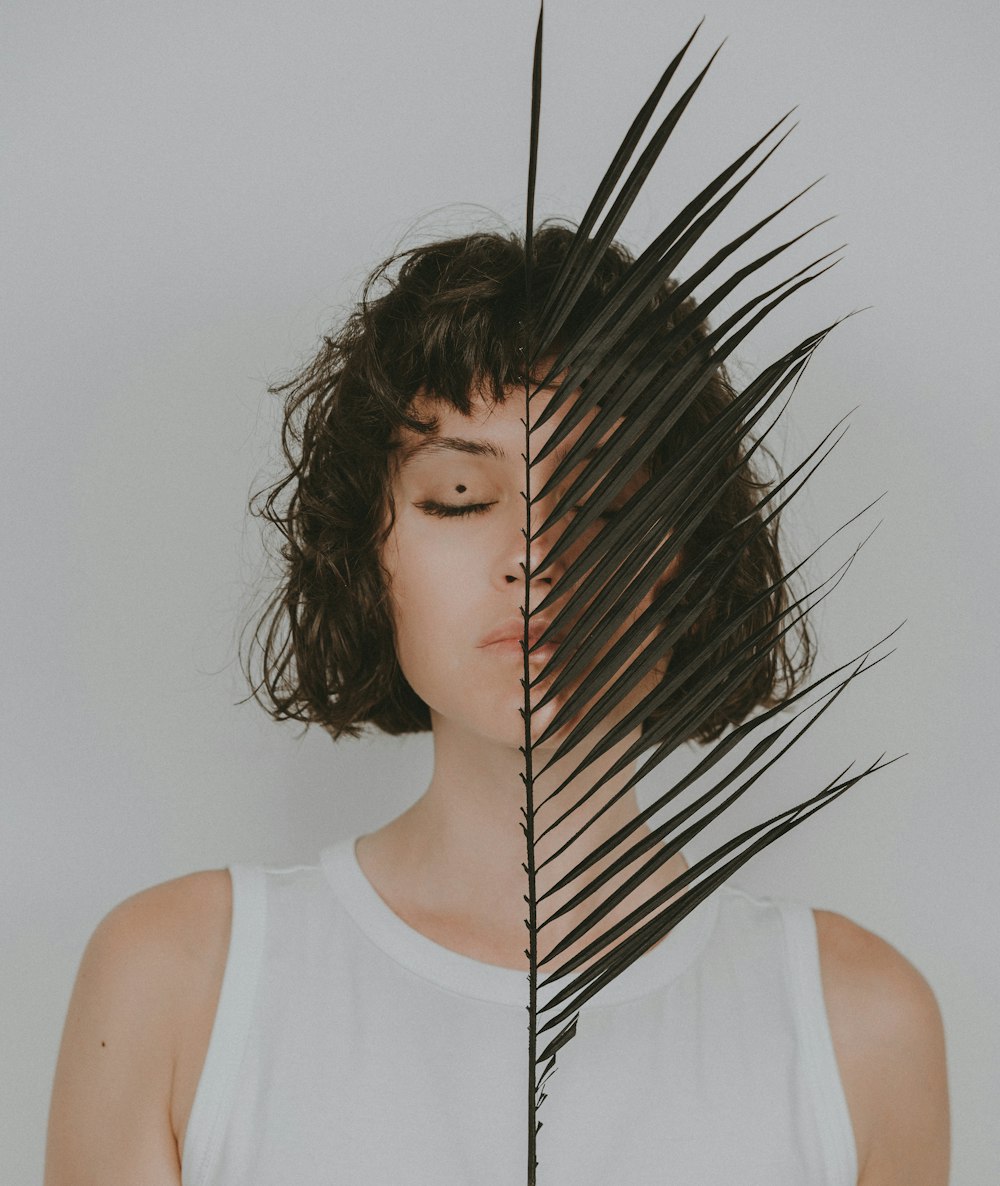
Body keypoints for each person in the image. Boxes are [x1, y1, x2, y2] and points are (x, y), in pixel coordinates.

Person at [44, 226, 950, 1185]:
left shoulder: (859, 1022)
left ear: (684, 557)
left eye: (602, 503)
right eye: (461, 495)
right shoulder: (178, 982)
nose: (537, 558)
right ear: (372, 554)